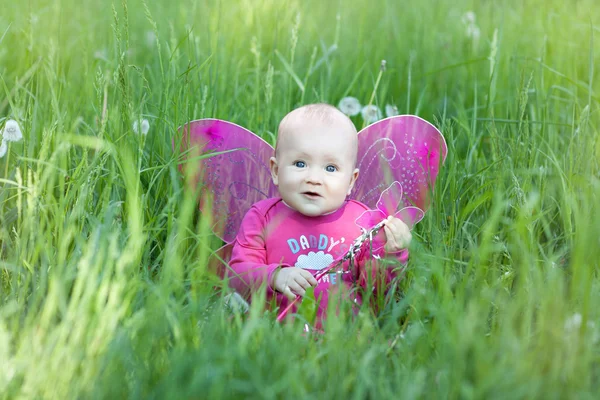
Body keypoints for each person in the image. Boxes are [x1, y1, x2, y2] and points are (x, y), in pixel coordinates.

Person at [227, 103, 412, 325]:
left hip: (344, 337)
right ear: (276, 171)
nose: (314, 178)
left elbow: (375, 288)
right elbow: (237, 275)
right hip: (274, 332)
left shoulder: (363, 221)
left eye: (330, 168)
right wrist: (274, 276)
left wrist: (393, 254)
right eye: (300, 163)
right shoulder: (262, 217)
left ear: (350, 181)